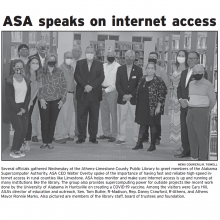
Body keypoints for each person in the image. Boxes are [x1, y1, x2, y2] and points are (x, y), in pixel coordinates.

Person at [175, 51, 208, 158]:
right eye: (189, 58)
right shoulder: (184, 72)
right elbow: (180, 87)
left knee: (195, 131)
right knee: (184, 130)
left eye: (193, 58)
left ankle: (196, 153)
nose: (190, 60)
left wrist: (188, 101)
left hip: (194, 107)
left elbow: (201, 90)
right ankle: (186, 150)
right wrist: (180, 99)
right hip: (183, 106)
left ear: (198, 60)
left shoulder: (202, 73)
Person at [133, 62, 167, 151]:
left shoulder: (158, 80)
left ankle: (152, 144)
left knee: (153, 125)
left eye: (152, 68)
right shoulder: (142, 79)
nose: (150, 70)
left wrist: (159, 106)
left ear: (155, 70)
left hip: (153, 107)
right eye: (148, 68)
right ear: (145, 69)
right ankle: (139, 143)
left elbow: (162, 94)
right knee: (142, 124)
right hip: (142, 106)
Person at [74, 46, 105, 144]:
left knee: (94, 117)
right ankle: (81, 137)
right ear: (85, 53)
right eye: (88, 52)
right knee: (81, 117)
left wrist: (91, 86)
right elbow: (76, 75)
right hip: (82, 94)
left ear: (94, 53)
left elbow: (101, 77)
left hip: (95, 95)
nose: (89, 53)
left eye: (91, 52)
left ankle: (93, 137)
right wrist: (85, 85)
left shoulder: (99, 64)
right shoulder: (79, 63)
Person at [37, 53, 67, 149]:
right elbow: (38, 87)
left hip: (56, 100)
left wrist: (63, 100)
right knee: (44, 121)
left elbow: (64, 86)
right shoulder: (41, 71)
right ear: (46, 60)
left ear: (56, 61)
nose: (51, 61)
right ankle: (44, 141)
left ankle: (49, 141)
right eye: (50, 59)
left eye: (53, 59)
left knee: (52, 121)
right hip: (43, 100)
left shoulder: (59, 71)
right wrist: (41, 98)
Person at [187, 64, 216, 160]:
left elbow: (213, 100)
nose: (196, 74)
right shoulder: (191, 83)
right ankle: (193, 156)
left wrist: (207, 110)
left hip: (202, 111)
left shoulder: (208, 84)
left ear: (203, 73)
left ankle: (202, 159)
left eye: (199, 72)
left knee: (201, 136)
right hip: (190, 111)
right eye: (194, 72)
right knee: (191, 136)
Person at [115, 50, 143, 145]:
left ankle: (137, 138)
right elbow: (117, 84)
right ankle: (121, 137)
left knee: (135, 120)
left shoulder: (139, 70)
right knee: (121, 119)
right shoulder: (120, 69)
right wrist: (124, 95)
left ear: (134, 58)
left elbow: (139, 84)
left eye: (131, 57)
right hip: (122, 99)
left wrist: (131, 95)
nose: (129, 59)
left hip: (134, 99)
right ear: (124, 57)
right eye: (127, 57)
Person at [4, 59, 31, 158]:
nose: (19, 68)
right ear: (13, 67)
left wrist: (23, 108)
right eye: (17, 66)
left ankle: (18, 148)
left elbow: (28, 95)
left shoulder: (26, 79)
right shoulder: (9, 80)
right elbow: (9, 97)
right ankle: (13, 150)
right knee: (19, 129)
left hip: (23, 107)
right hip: (13, 108)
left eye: (21, 66)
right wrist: (18, 110)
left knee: (24, 130)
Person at [142, 52, 169, 145]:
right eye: (151, 57)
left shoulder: (161, 70)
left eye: (154, 57)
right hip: (145, 99)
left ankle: (157, 138)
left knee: (156, 120)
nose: (152, 58)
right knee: (145, 119)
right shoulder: (144, 69)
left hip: (157, 100)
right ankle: (145, 137)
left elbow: (165, 86)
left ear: (157, 59)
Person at [97, 51, 120, 142]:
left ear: (115, 56)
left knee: (113, 114)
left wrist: (106, 90)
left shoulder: (118, 67)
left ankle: (114, 134)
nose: (110, 57)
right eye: (108, 56)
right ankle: (106, 133)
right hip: (102, 91)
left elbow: (117, 82)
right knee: (104, 113)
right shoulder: (103, 66)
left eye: (112, 56)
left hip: (112, 92)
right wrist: (101, 89)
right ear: (106, 57)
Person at [21, 55, 42, 152]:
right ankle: (21, 141)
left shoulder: (39, 75)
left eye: (37, 63)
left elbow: (37, 90)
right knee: (21, 121)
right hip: (22, 100)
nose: (35, 65)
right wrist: (25, 102)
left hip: (31, 100)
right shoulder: (24, 73)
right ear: (29, 64)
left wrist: (30, 102)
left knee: (28, 120)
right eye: (33, 63)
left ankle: (27, 141)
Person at [170, 50, 188, 153]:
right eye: (179, 55)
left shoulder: (187, 69)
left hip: (182, 98)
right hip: (175, 98)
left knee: (183, 124)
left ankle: (184, 145)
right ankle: (182, 144)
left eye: (182, 55)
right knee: (177, 122)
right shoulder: (175, 68)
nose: (180, 57)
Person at [54, 51, 75, 144]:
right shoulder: (59, 69)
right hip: (63, 94)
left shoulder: (72, 68)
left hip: (71, 93)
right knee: (62, 116)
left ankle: (66, 134)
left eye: (71, 57)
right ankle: (58, 136)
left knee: (69, 116)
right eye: (67, 57)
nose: (69, 59)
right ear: (63, 57)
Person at [31, 40, 48, 142]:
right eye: (41, 46)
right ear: (37, 48)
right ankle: (34, 134)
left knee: (46, 113)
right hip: (35, 89)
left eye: (45, 46)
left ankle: (45, 134)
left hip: (46, 90)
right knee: (34, 113)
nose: (43, 48)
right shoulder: (32, 58)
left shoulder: (50, 58)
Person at [72, 45, 82, 137]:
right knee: (65, 112)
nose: (76, 52)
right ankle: (64, 132)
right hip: (68, 91)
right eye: (74, 50)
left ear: (81, 53)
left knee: (78, 112)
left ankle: (77, 131)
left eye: (78, 51)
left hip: (79, 90)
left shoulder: (83, 63)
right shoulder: (68, 63)